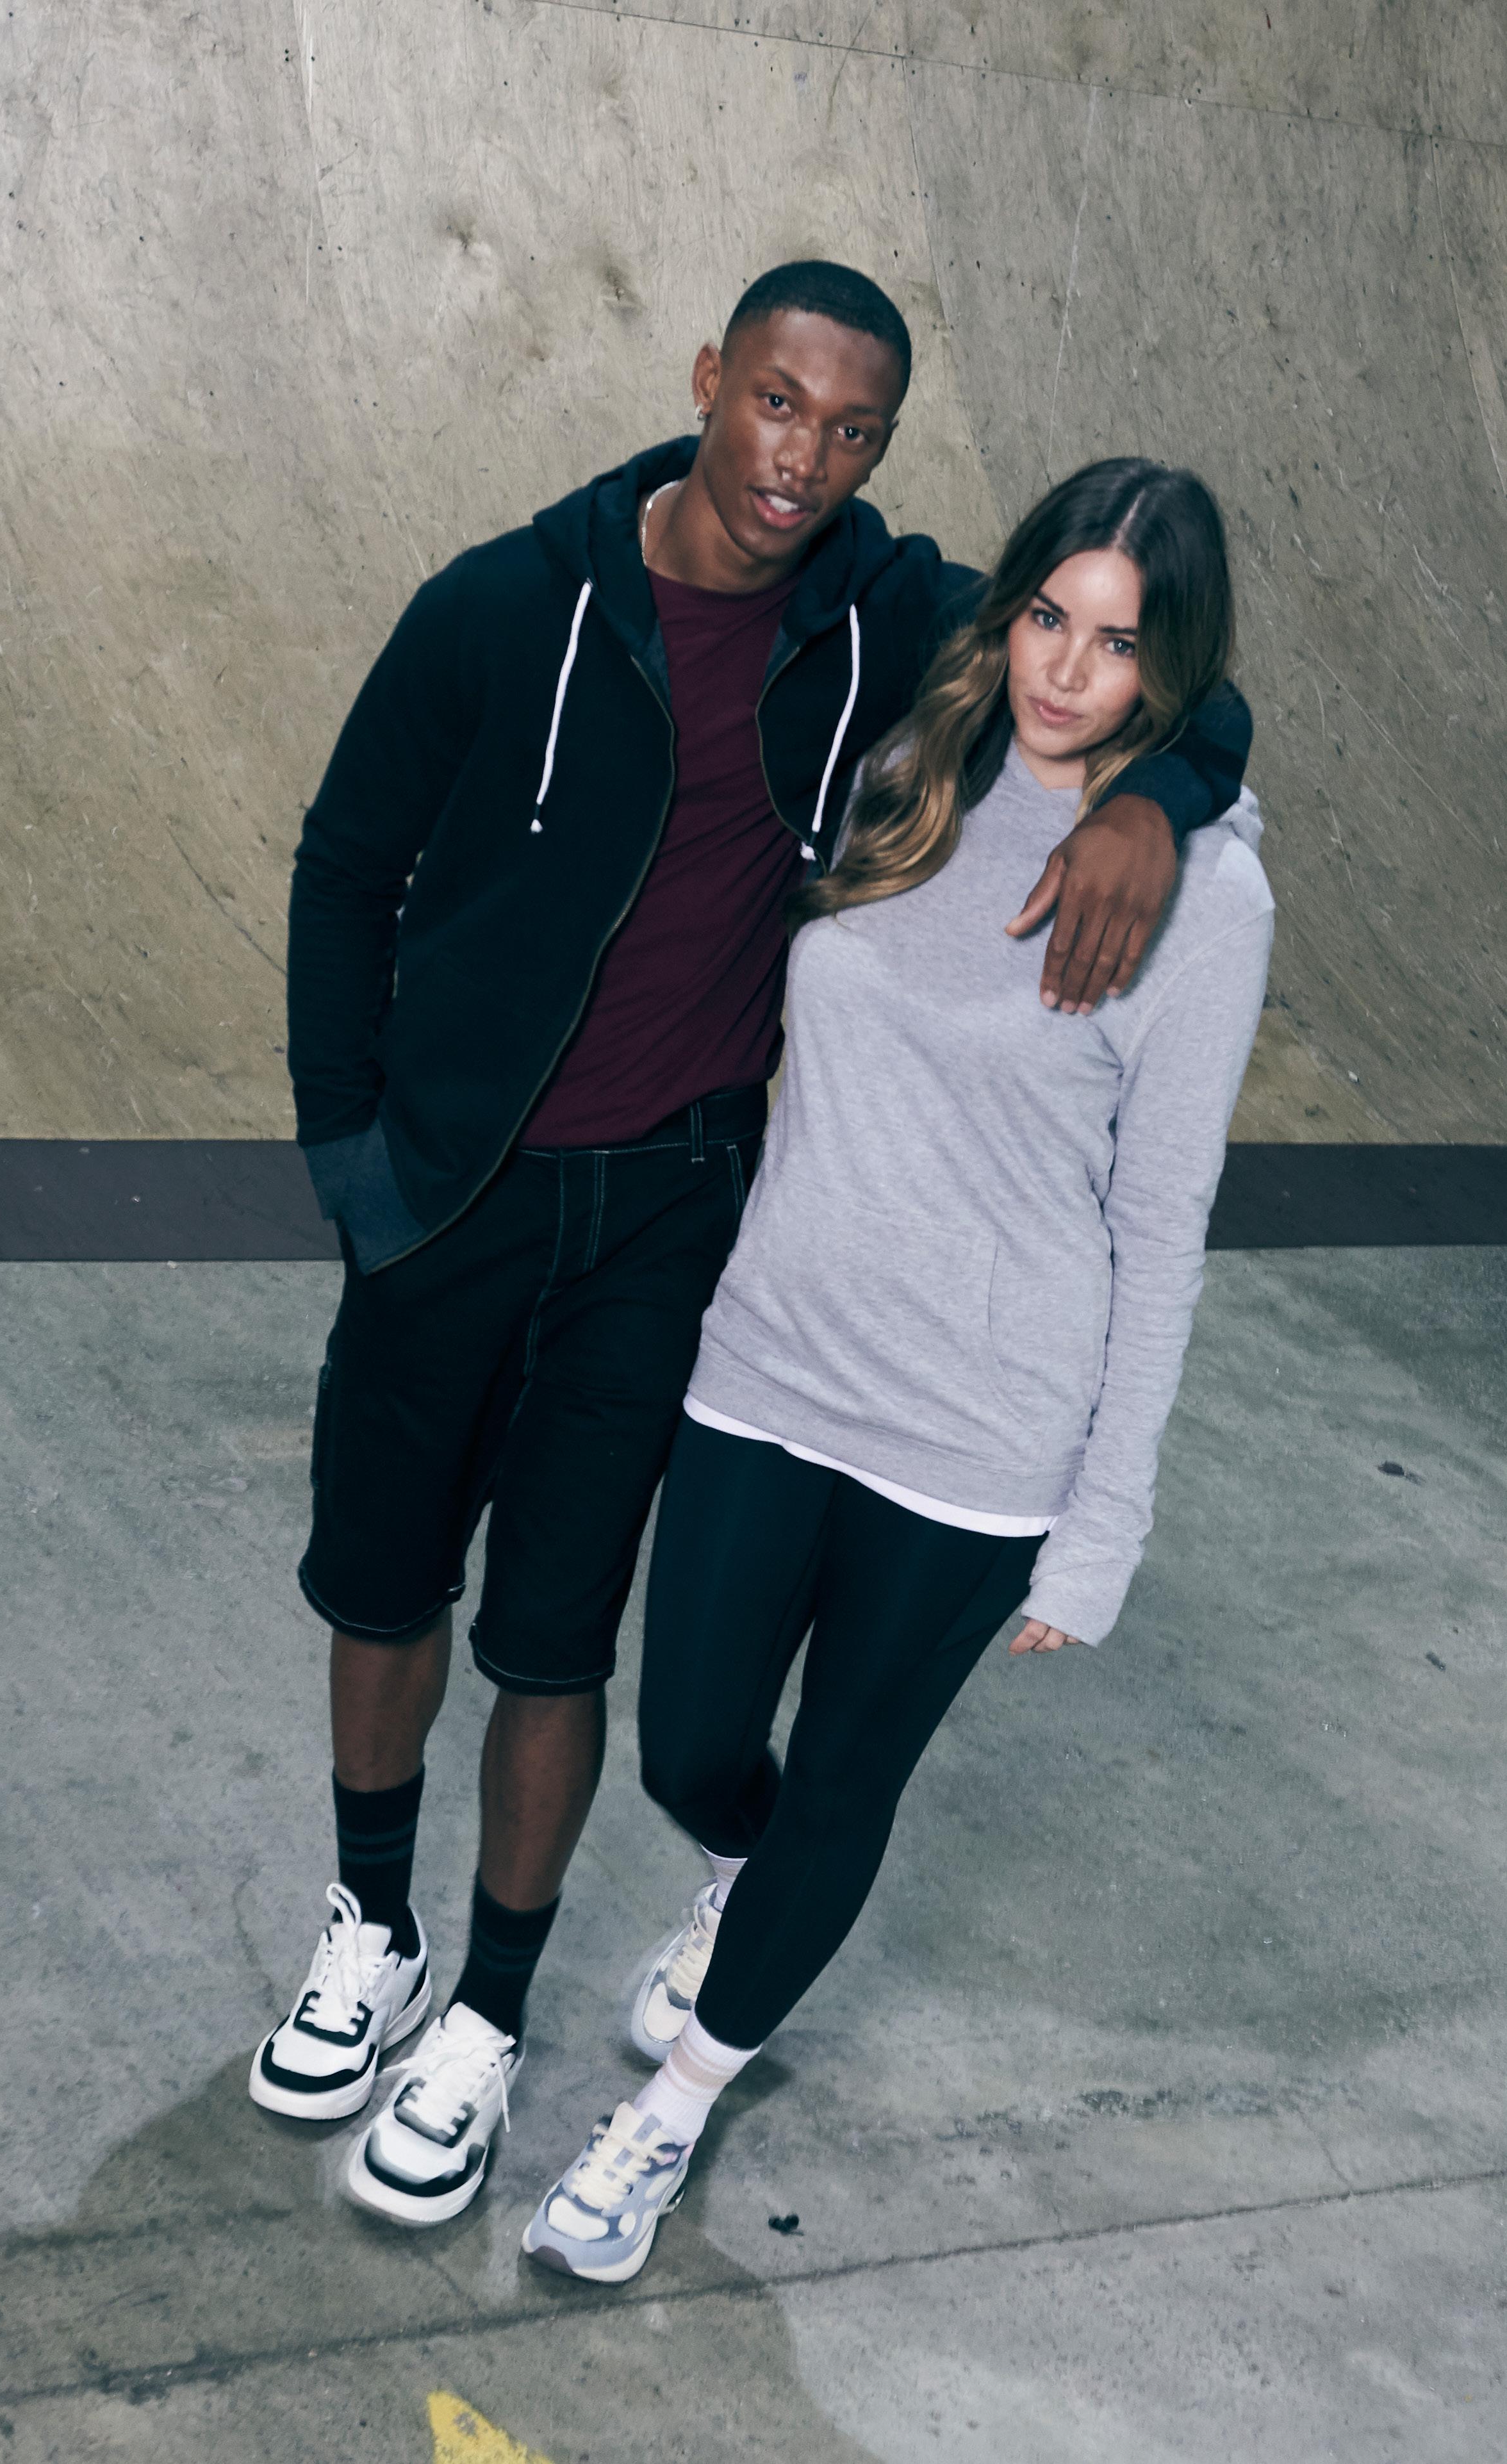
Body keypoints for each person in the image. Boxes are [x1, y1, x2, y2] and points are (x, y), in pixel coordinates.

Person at [255, 259, 1255, 2233]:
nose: (804, 457)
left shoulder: (878, 618)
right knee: (382, 1586)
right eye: (780, 403)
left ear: (880, 448)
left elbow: (1155, 657)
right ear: (713, 379)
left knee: (557, 1636)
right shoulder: (505, 605)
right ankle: (370, 1927)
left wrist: (1166, 796)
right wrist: (355, 1162)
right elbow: (348, 863)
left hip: (667, 1220)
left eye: (853, 429)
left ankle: (491, 2022)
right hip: (450, 1192)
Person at [519, 457, 1274, 2282]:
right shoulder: (910, 757)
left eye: (1121, 647)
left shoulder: (1208, 894)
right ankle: (764, 1886)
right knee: (697, 1741)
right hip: (775, 1361)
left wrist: (1102, 1527)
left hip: (978, 1435)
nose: (1067, 672)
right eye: (1049, 618)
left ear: (1172, 670)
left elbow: (1162, 1224)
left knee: (849, 1775)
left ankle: (676, 2102)